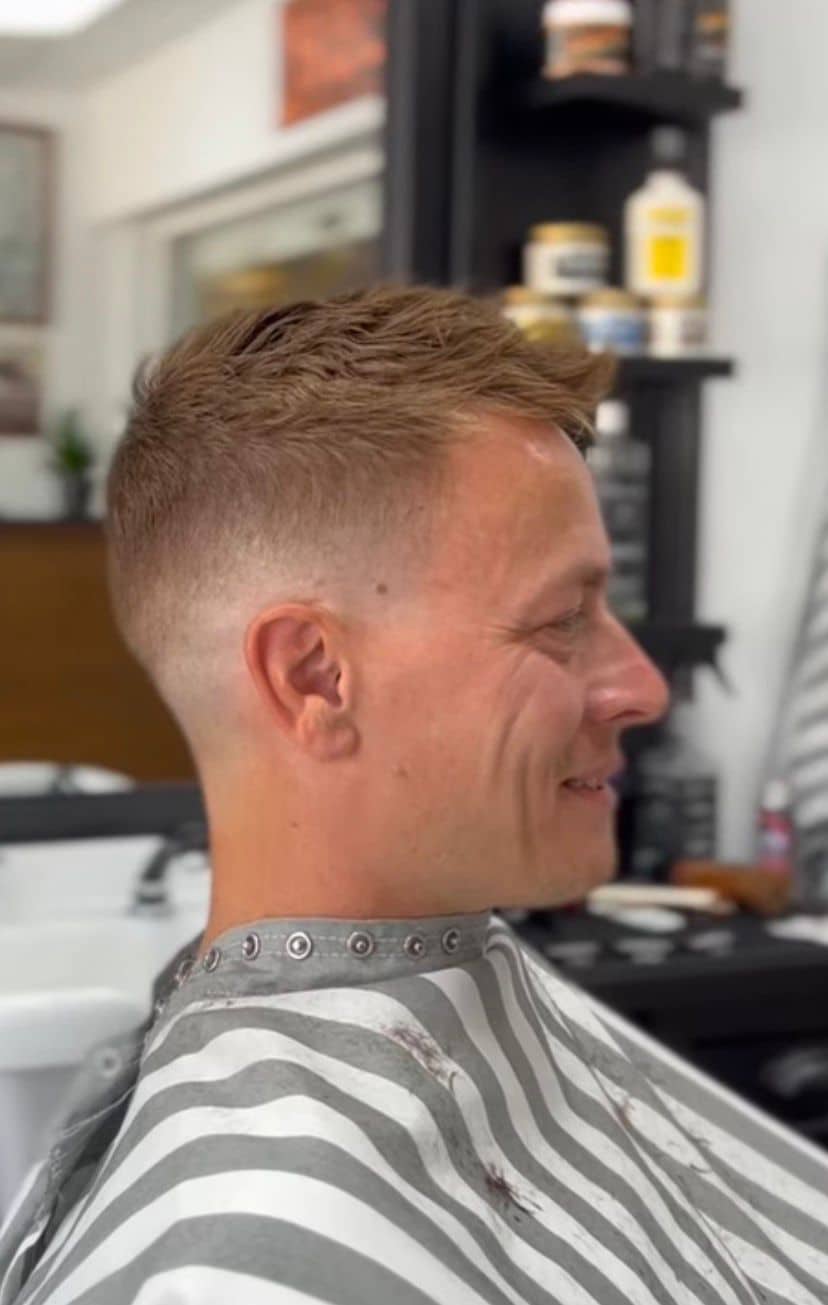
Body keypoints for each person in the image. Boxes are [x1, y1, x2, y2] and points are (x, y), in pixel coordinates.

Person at [1, 286, 826, 1304]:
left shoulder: (470, 974)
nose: (643, 687)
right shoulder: (235, 1266)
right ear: (315, 677)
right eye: (560, 620)